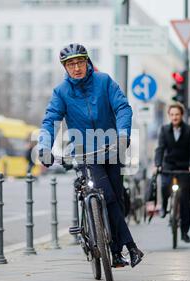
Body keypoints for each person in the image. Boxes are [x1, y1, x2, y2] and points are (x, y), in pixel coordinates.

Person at [38, 43, 144, 268]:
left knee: (118, 197)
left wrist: (123, 135)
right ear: (65, 68)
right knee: (107, 195)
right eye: (70, 64)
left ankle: (115, 252)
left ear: (87, 62)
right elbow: (50, 121)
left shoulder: (104, 81)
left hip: (112, 148)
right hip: (86, 153)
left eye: (79, 62)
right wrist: (44, 147)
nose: (76, 68)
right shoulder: (61, 92)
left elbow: (123, 108)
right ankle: (131, 247)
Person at [154, 103, 190, 243]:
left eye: (177, 114)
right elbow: (160, 149)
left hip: (185, 168)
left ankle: (184, 232)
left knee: (185, 201)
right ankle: (164, 206)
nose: (174, 117)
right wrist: (158, 164)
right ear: (169, 116)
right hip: (169, 166)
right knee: (164, 185)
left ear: (182, 115)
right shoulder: (164, 129)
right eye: (172, 114)